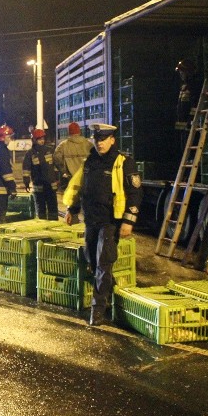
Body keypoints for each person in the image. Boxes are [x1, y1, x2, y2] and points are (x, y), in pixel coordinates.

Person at [62, 123, 142, 327]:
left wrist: (128, 221)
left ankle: (97, 310)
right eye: (97, 139)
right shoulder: (90, 162)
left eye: (104, 139)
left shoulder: (124, 162)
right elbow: (81, 187)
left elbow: (135, 193)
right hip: (91, 220)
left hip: (110, 221)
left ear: (112, 140)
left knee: (103, 263)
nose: (100, 143)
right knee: (92, 259)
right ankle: (114, 294)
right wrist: (72, 209)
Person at [21, 128, 59, 220]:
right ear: (34, 140)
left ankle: (54, 226)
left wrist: (58, 179)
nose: (42, 141)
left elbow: (56, 166)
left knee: (53, 208)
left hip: (50, 186)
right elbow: (26, 170)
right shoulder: (30, 154)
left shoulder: (50, 150)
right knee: (40, 209)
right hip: (39, 186)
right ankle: (42, 227)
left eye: (43, 139)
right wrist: (26, 183)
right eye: (39, 139)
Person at [53, 122, 94, 190]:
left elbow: (56, 158)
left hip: (70, 180)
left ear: (69, 132)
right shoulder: (89, 144)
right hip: (86, 179)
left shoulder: (63, 145)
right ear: (79, 132)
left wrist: (63, 171)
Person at [175, 59, 202, 151]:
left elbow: (195, 104)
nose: (180, 74)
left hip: (190, 124)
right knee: (184, 148)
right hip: (182, 124)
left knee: (191, 149)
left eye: (182, 72)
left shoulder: (194, 86)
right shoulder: (183, 86)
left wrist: (191, 120)